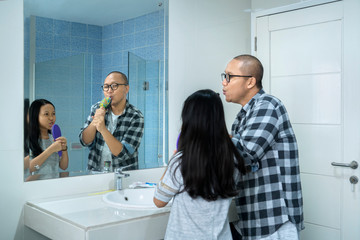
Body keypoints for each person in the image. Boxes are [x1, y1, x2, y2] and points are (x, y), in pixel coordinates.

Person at [222, 54, 304, 240]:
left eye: (229, 76)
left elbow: (245, 153)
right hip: (255, 214)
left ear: (250, 81)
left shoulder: (267, 105)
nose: (224, 83)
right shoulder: (243, 115)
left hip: (275, 218)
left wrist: (208, 132)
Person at [153, 89, 246, 239]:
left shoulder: (182, 161)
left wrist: (173, 159)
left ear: (190, 120)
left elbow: (159, 201)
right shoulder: (232, 159)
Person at [79, 71, 144, 171]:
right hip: (95, 173)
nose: (109, 90)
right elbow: (84, 141)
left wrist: (102, 129)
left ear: (126, 89)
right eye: (106, 87)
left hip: (124, 177)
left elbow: (123, 153)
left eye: (114, 86)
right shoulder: (96, 108)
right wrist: (95, 121)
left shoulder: (135, 116)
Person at [28, 99, 69, 176]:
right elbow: (30, 168)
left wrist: (64, 149)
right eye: (46, 114)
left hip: (54, 184)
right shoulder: (28, 140)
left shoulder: (54, 138)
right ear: (35, 116)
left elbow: (64, 167)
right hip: (35, 186)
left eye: (53, 114)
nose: (51, 118)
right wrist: (51, 150)